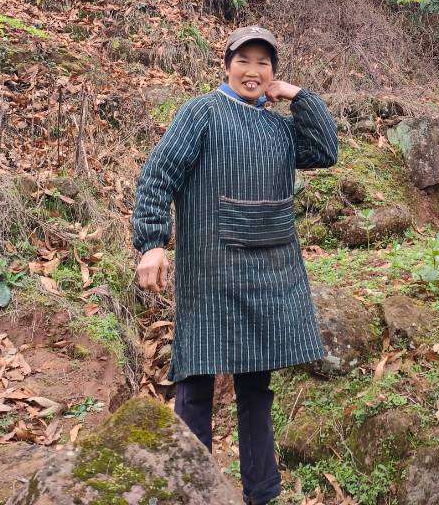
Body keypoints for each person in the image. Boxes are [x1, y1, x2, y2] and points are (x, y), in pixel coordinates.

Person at [132, 25, 337, 505]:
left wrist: (298, 96)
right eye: (243, 60)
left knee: (256, 389)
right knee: (195, 384)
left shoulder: (279, 128)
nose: (252, 70)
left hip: (268, 269)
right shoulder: (202, 113)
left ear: (273, 73)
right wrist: (152, 243)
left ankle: (261, 494)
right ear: (227, 66)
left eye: (263, 63)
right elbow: (158, 176)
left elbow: (326, 151)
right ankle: (194, 493)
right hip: (209, 271)